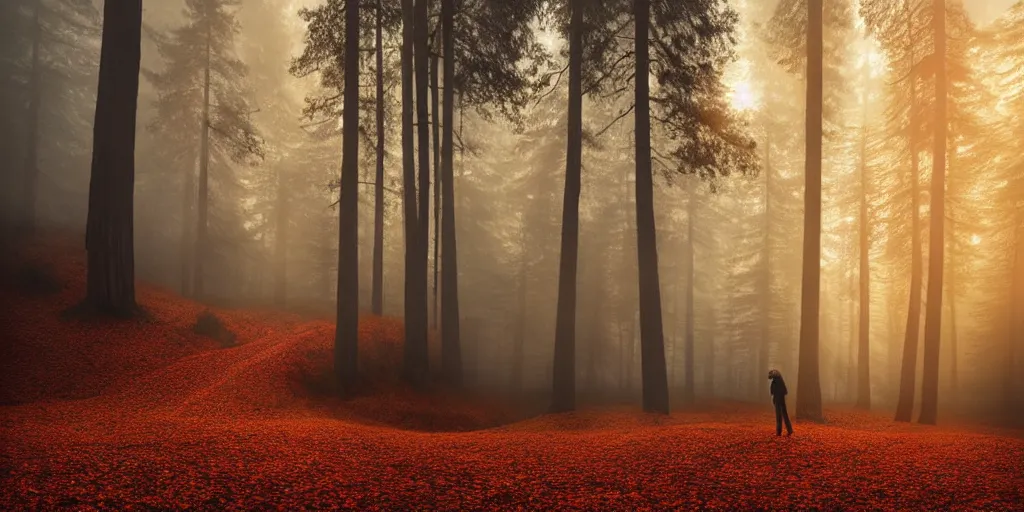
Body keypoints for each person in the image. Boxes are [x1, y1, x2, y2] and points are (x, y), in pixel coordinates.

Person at [768, 369, 793, 436]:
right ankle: (789, 430)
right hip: (781, 399)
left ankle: (779, 432)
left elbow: (774, 392)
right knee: (784, 415)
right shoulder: (779, 380)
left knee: (779, 416)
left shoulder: (776, 381)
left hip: (779, 399)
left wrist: (775, 398)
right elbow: (784, 391)